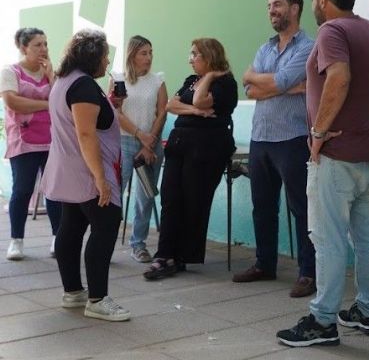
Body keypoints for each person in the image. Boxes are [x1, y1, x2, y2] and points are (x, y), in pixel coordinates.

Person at [277, 0, 369, 347]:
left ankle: (323, 321)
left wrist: (318, 132)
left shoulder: (332, 30)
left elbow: (340, 77)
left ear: (324, 0)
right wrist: (366, 98)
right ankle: (368, 312)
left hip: (337, 153)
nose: (314, 4)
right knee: (367, 237)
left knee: (327, 239)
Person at [40, 29, 130, 322]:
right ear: (92, 57)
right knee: (105, 226)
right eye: (105, 56)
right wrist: (101, 179)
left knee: (71, 225)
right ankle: (97, 299)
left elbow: (84, 121)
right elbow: (86, 134)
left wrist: (111, 105)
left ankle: (74, 293)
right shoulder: (83, 86)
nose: (107, 62)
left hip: (69, 169)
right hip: (87, 171)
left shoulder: (66, 81)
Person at [232, 0, 316, 298]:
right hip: (261, 137)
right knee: (263, 207)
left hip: (292, 138)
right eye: (269, 5)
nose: (271, 10)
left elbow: (274, 81)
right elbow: (249, 88)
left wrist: (271, 82)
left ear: (294, 8)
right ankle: (264, 264)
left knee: (302, 208)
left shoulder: (308, 47)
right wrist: (288, 86)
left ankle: (308, 273)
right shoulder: (264, 48)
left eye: (277, 5)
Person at [143, 38, 238, 280]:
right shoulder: (190, 80)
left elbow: (198, 99)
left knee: (193, 200)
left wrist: (210, 76)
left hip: (207, 148)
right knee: (170, 198)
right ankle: (164, 254)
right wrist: (195, 111)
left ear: (210, 56)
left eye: (195, 54)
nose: (190, 59)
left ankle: (182, 256)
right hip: (180, 144)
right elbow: (171, 105)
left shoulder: (225, 83)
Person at [0, 27, 61, 260]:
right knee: (22, 189)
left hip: (51, 140)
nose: (43, 49)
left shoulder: (50, 72)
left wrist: (52, 75)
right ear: (24, 48)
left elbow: (61, 100)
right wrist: (46, 105)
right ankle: (16, 240)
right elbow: (13, 102)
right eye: (38, 45)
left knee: (54, 190)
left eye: (45, 44)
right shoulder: (10, 72)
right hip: (23, 140)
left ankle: (57, 238)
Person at [111, 35, 168, 263]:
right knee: (115, 193)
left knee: (145, 196)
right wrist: (139, 135)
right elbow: (116, 112)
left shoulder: (158, 81)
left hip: (151, 145)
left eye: (150, 52)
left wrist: (149, 140)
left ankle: (139, 244)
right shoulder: (118, 79)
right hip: (125, 142)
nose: (149, 57)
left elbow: (162, 112)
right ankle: (105, 242)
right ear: (132, 55)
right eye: (143, 53)